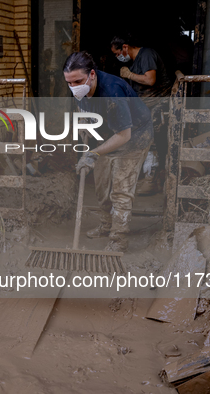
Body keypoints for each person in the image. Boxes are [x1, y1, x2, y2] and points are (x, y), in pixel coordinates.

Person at [63, 51, 153, 252]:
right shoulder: (80, 88)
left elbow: (124, 136)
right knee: (101, 185)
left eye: (78, 81)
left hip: (134, 136)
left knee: (121, 189)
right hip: (105, 134)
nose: (74, 87)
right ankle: (106, 224)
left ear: (92, 75)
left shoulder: (113, 92)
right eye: (69, 83)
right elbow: (83, 108)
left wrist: (93, 154)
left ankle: (118, 239)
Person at [111, 35, 173, 195]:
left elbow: (150, 80)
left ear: (125, 47)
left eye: (117, 53)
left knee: (149, 139)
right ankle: (139, 176)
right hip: (146, 104)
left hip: (158, 102)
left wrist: (129, 75)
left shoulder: (146, 55)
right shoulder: (136, 60)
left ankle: (150, 180)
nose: (118, 57)